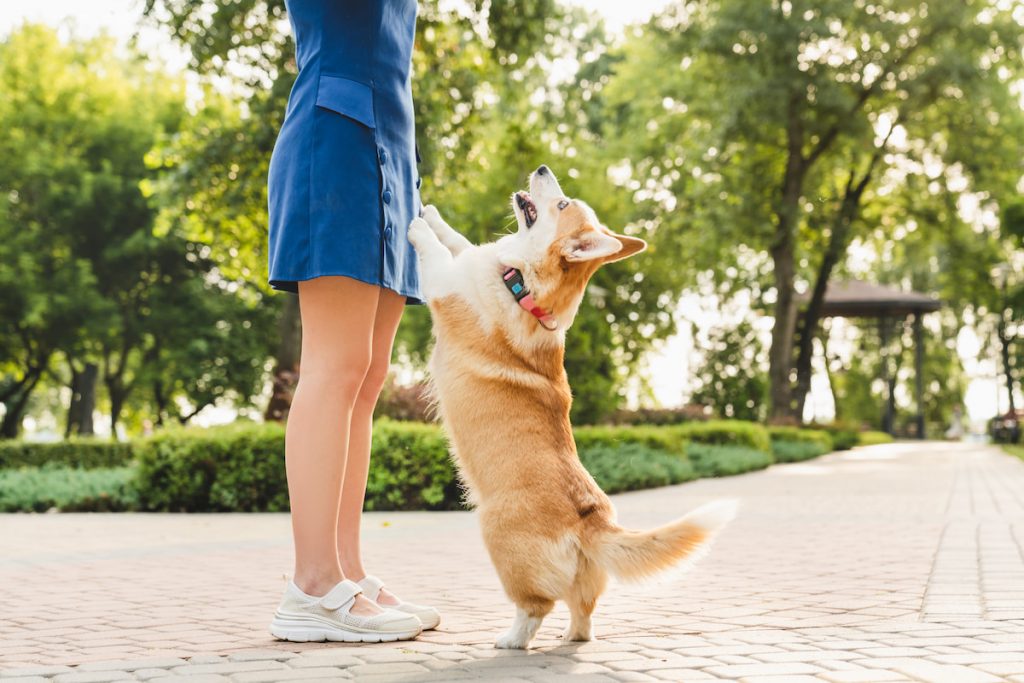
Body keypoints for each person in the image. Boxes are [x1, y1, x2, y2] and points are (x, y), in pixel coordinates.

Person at [264, 0, 439, 642]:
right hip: (336, 138)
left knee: (366, 379)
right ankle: (311, 586)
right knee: (334, 370)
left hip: (392, 151)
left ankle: (347, 574)